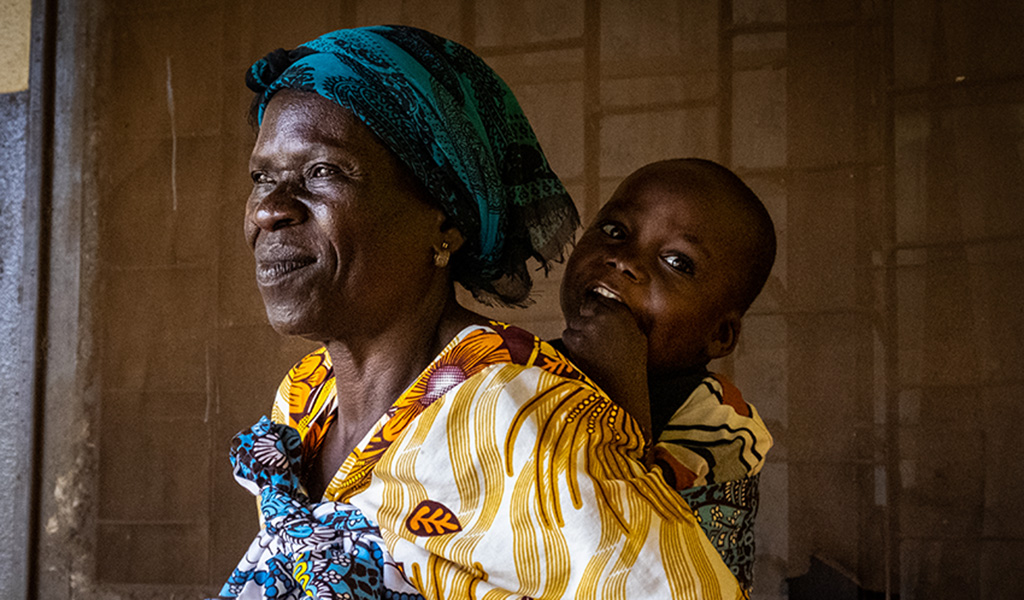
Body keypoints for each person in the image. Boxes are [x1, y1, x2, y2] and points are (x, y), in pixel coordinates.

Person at [219, 25, 744, 600]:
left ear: (446, 222)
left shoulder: (528, 426)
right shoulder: (306, 395)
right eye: (263, 178)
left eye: (324, 172)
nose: (269, 209)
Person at [554, 158, 777, 592]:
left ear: (719, 335)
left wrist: (621, 383)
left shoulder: (722, 422)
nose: (624, 261)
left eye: (678, 262)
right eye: (615, 231)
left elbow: (649, 550)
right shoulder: (523, 367)